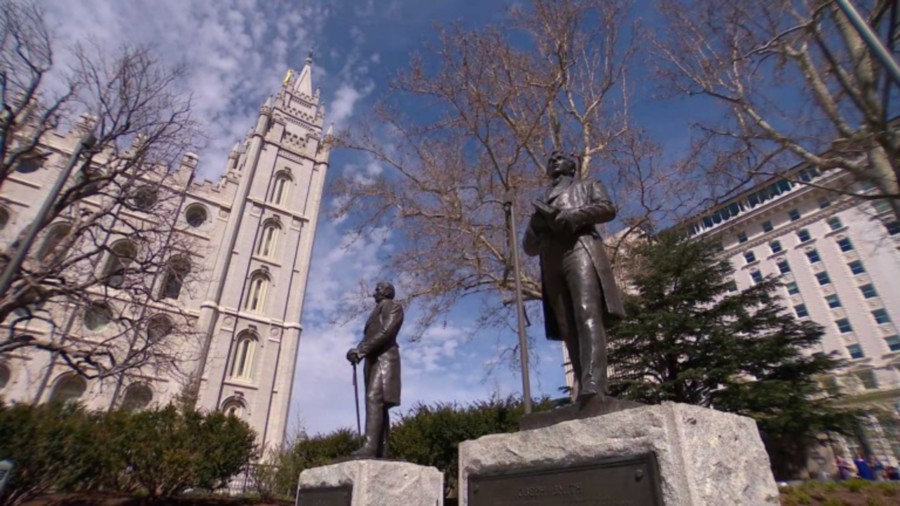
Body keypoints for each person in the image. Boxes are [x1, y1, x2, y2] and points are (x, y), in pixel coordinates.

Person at [523, 151, 625, 403]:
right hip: (550, 258)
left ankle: (594, 382)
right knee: (566, 324)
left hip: (579, 247)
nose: (554, 160)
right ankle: (581, 385)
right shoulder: (542, 201)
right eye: (551, 159)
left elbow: (607, 208)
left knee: (586, 312)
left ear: (572, 167)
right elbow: (528, 247)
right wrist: (537, 225)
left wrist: (574, 216)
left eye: (560, 157)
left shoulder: (588, 185)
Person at [346, 281, 403, 458]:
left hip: (385, 359)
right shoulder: (376, 311)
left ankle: (370, 446)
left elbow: (387, 332)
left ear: (387, 291)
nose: (374, 293)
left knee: (374, 398)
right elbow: (370, 336)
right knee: (378, 404)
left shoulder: (393, 306)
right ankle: (381, 450)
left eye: (377, 290)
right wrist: (355, 351)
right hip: (372, 360)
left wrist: (361, 351)